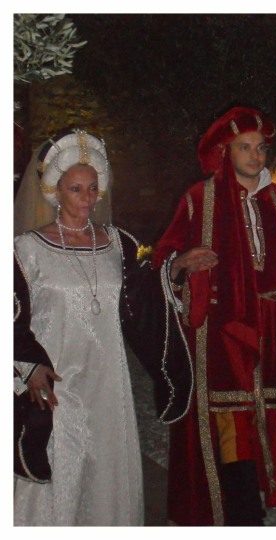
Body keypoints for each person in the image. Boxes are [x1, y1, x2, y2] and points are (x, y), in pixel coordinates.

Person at [13, 128, 214, 526]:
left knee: (104, 460)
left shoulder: (119, 245)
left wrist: (176, 267)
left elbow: (142, 300)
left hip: (106, 382)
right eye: (76, 189)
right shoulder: (26, 250)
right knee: (59, 455)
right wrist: (27, 366)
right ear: (55, 190)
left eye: (93, 188)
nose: (87, 198)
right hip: (56, 376)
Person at [152, 106, 276, 526]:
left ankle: (260, 493)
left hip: (269, 322)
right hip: (221, 328)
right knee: (231, 417)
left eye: (260, 147)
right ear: (226, 152)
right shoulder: (200, 198)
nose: (254, 155)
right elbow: (164, 256)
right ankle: (242, 509)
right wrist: (181, 262)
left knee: (267, 411)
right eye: (244, 147)